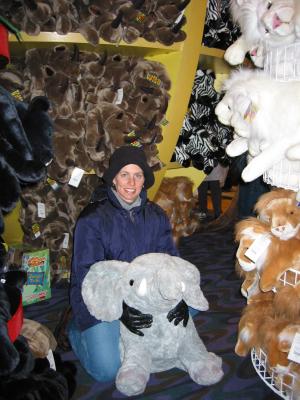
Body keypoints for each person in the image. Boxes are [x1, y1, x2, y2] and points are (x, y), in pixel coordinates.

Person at [68, 145, 190, 383]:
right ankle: (74, 330)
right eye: (124, 174)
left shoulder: (156, 215)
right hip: (103, 300)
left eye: (138, 175)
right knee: (107, 369)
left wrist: (179, 296)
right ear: (113, 179)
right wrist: (120, 310)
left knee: (189, 310)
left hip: (145, 296)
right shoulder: (92, 219)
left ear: (145, 180)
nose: (131, 182)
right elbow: (85, 279)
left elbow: (171, 262)